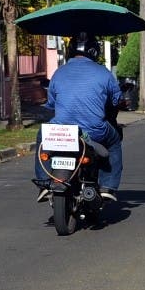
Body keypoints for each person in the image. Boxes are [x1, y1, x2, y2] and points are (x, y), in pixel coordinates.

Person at [34, 32, 124, 202]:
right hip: (94, 131)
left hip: (60, 131)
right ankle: (108, 186)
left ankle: (43, 182)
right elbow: (117, 100)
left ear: (70, 50)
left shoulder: (58, 73)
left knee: (41, 137)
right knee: (114, 142)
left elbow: (51, 103)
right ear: (94, 51)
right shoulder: (104, 74)